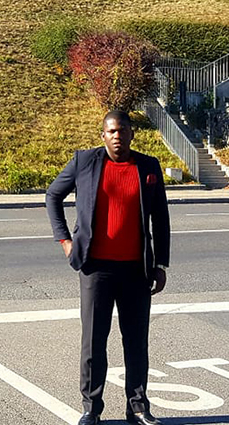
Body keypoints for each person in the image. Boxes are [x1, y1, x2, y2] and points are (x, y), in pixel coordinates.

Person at [46, 110, 171, 425]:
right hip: (96, 269)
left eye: (123, 130)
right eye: (112, 131)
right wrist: (65, 241)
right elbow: (53, 196)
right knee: (93, 341)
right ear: (103, 135)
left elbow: (161, 218)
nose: (117, 136)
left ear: (132, 134)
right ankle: (91, 408)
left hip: (136, 270)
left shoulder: (148, 167)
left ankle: (138, 407)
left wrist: (160, 264)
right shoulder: (84, 162)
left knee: (136, 341)